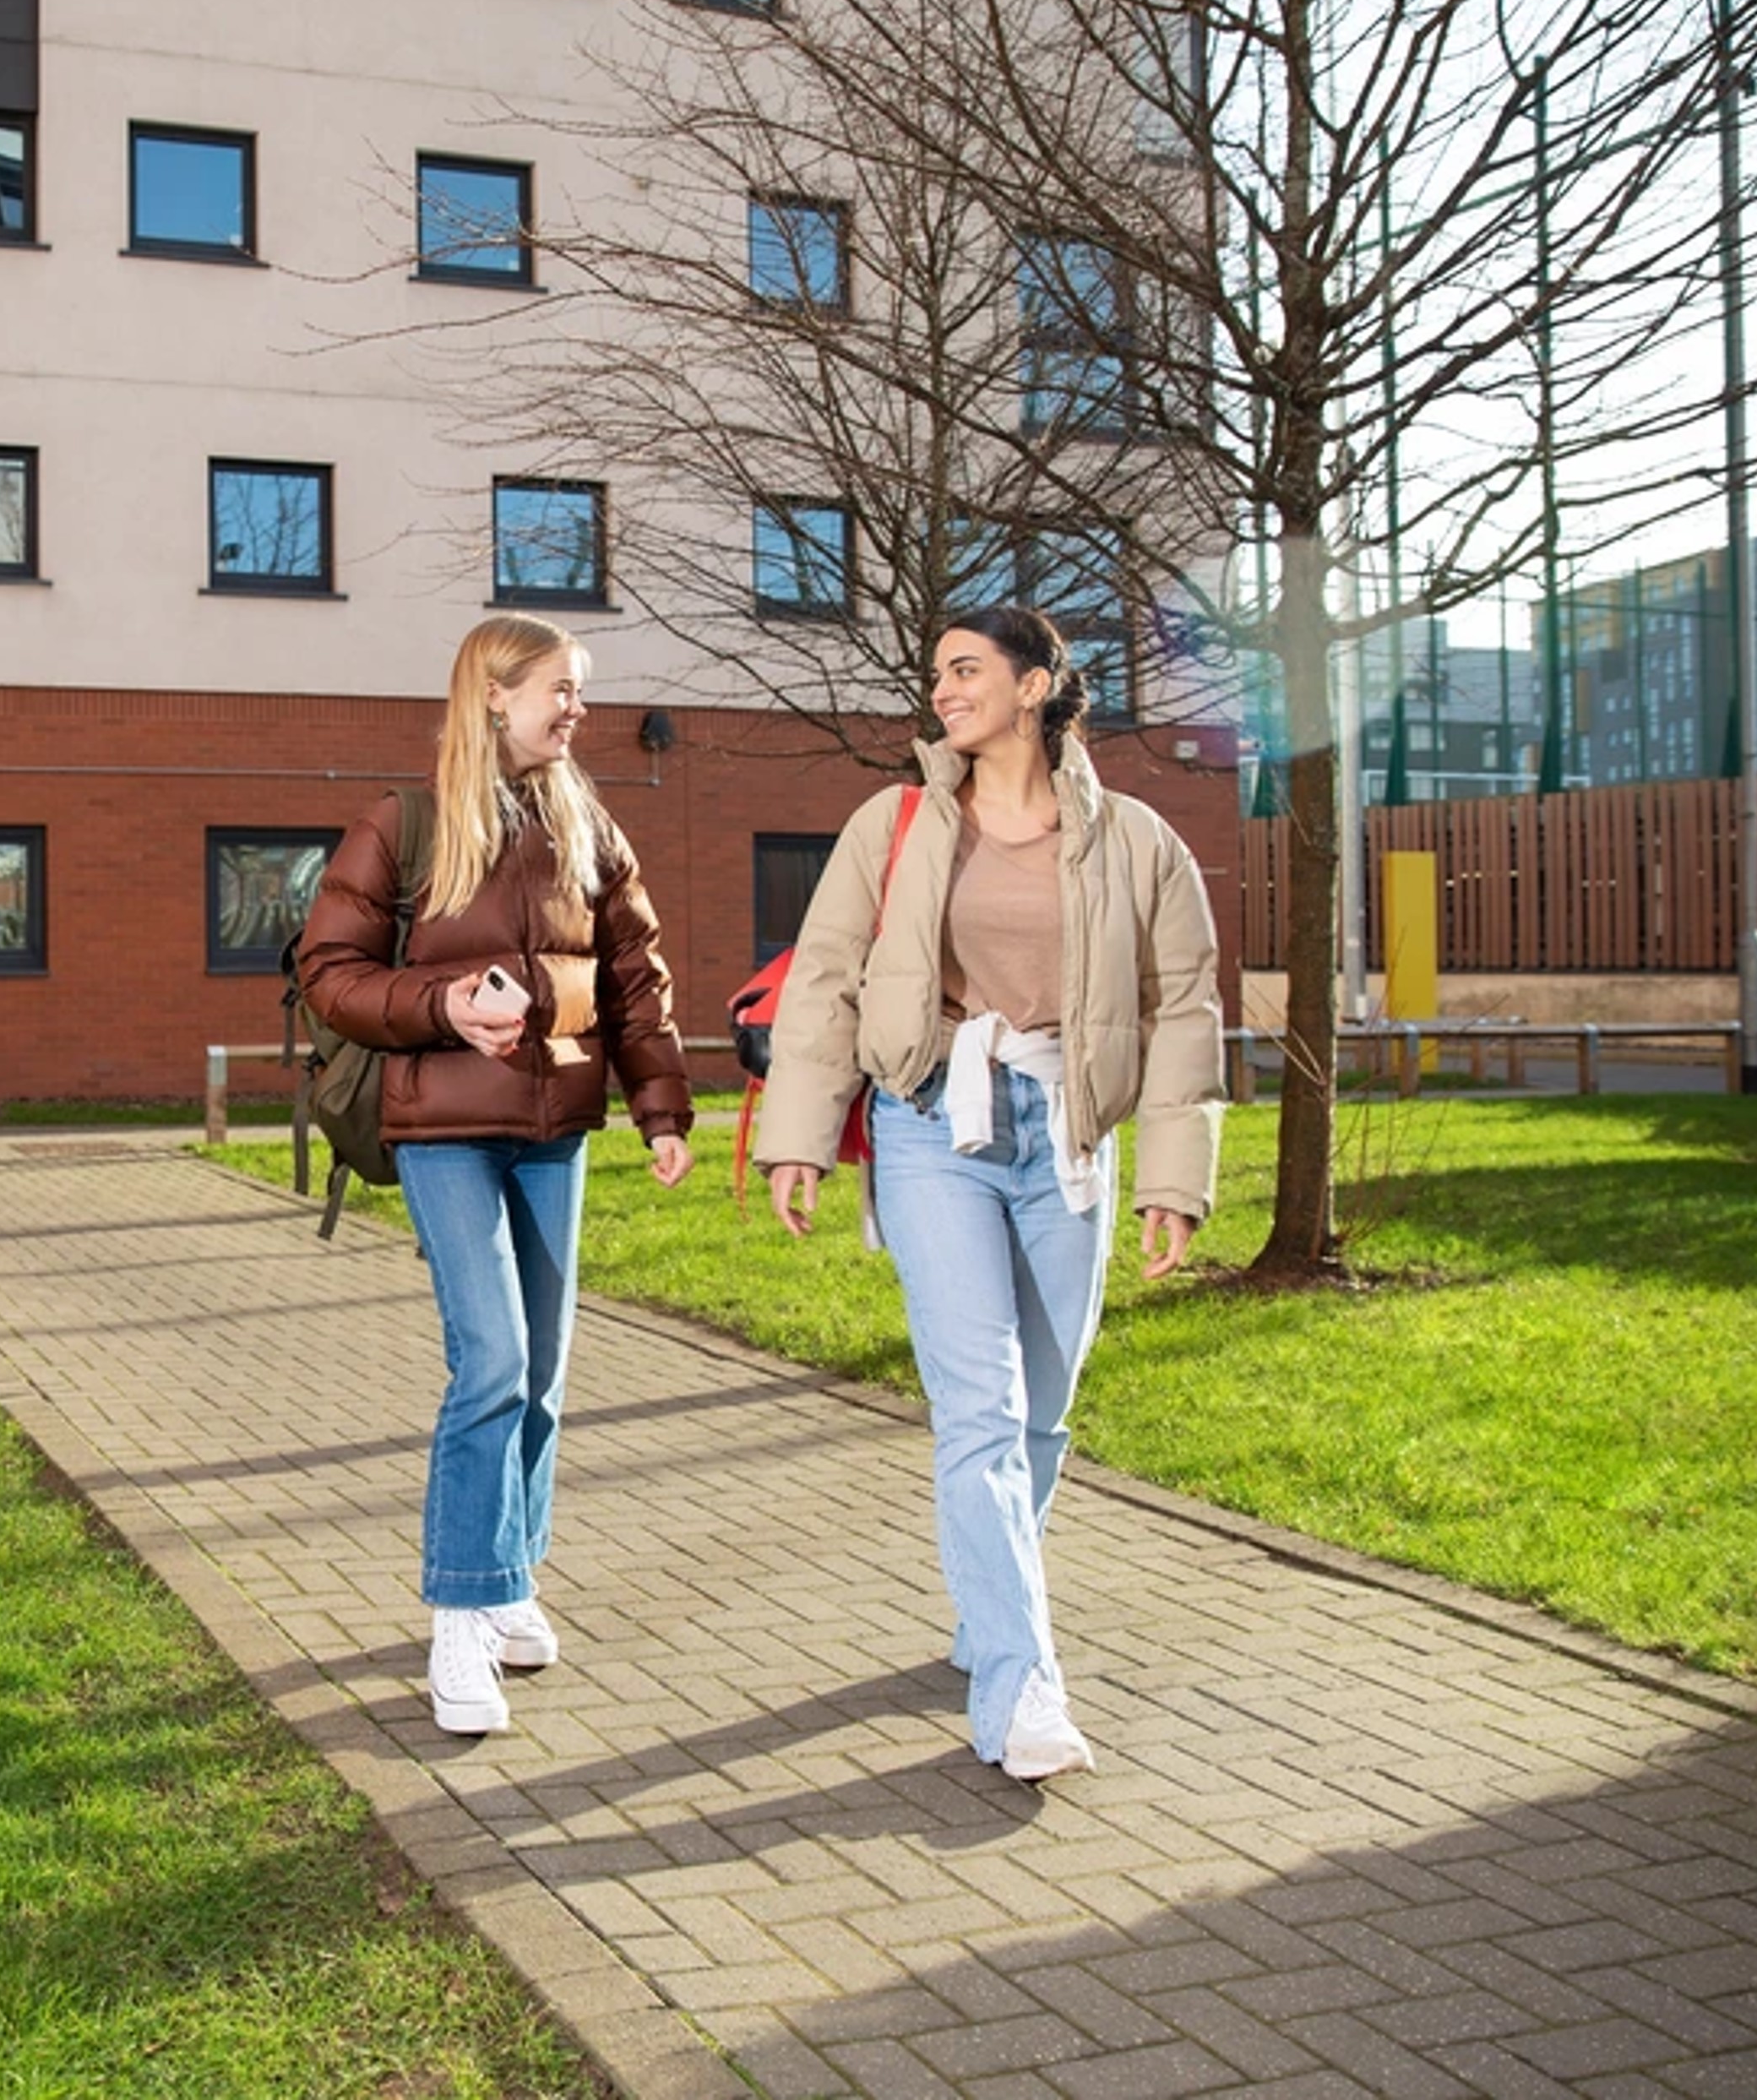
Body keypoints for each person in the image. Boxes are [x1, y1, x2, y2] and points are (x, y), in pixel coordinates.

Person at [756, 603, 1222, 1782]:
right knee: (979, 1409)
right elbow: (825, 977)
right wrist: (796, 1134)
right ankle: (1022, 1688)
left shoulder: (1137, 842)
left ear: (1034, 686)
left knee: (1043, 1411)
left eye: (966, 669)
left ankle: (988, 1604)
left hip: (1066, 1133)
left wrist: (1175, 1176)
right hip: (932, 1125)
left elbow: (1183, 1012)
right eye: (937, 673)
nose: (944, 688)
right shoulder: (898, 820)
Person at [296, 612, 696, 1737]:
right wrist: (443, 1005)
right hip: (443, 1130)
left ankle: (512, 1571)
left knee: (546, 1370)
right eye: (559, 689)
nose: (578, 709)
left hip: (554, 1129)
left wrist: (660, 1107)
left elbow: (636, 981)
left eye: (582, 690)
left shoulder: (588, 827)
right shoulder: (406, 825)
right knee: (495, 1361)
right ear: (492, 696)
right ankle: (457, 1616)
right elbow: (328, 970)